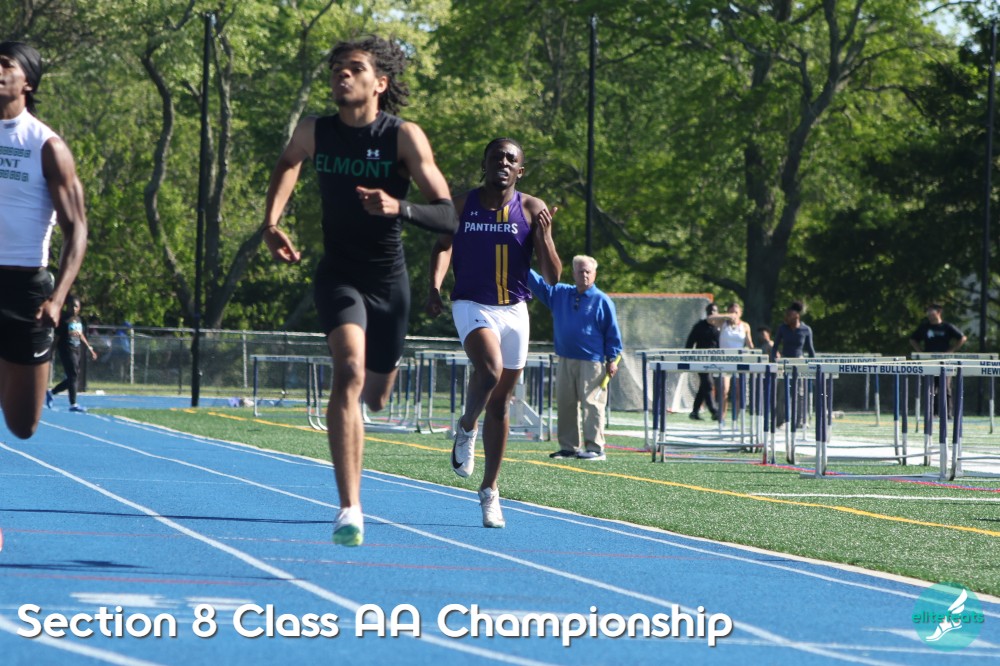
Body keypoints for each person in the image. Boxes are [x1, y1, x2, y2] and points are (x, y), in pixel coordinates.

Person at [262, 35, 458, 547]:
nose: (341, 75)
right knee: (348, 369)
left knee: (376, 394)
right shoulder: (316, 130)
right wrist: (271, 222)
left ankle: (368, 401)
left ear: (380, 83)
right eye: (336, 69)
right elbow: (288, 162)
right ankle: (350, 507)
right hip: (339, 274)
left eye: (353, 68)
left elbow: (448, 215)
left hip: (388, 282)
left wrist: (399, 207)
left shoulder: (403, 137)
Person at [427, 137, 561, 528]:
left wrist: (545, 236)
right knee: (489, 370)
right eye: (496, 156)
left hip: (515, 310)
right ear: (484, 164)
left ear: (520, 170)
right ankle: (467, 426)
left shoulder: (532, 208)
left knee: (501, 404)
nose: (503, 162)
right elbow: (442, 246)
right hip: (472, 303)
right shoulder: (460, 205)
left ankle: (490, 491)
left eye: (510, 158)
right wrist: (434, 287)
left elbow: (552, 277)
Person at [0, 41, 89, 441]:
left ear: (28, 83)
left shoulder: (47, 146)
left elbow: (77, 228)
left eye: (5, 65)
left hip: (25, 291)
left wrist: (58, 298)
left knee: (23, 425)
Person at [528, 255, 623, 461]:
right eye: (581, 271)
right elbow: (539, 285)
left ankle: (595, 448)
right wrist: (521, 264)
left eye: (588, 271)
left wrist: (612, 359)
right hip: (565, 358)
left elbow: (612, 332)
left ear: (595, 274)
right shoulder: (561, 293)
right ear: (573, 273)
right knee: (566, 403)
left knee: (592, 404)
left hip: (592, 361)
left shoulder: (602, 300)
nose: (585, 275)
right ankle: (568, 447)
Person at [909, 303, 966, 414]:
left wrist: (951, 351)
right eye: (928, 313)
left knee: (945, 387)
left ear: (939, 312)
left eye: (932, 312)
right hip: (930, 362)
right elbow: (912, 339)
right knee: (930, 388)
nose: (929, 315)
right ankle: (932, 413)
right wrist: (920, 352)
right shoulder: (925, 327)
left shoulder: (946, 327)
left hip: (945, 362)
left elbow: (962, 338)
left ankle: (947, 413)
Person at [46, 295, 97, 412]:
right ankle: (73, 404)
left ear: (79, 308)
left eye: (76, 306)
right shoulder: (64, 320)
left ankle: (52, 392)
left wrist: (89, 348)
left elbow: (80, 334)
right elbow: (57, 337)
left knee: (73, 377)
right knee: (73, 375)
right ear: (67, 307)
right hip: (66, 350)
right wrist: (51, 352)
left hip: (76, 349)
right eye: (71, 306)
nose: (73, 308)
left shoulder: (78, 320)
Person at [769, 300, 816, 427]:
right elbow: (775, 347)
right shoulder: (782, 328)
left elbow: (810, 350)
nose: (786, 318)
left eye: (789, 315)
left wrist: (813, 367)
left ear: (796, 316)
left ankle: (800, 420)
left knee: (800, 392)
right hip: (784, 361)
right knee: (782, 392)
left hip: (799, 361)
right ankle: (780, 420)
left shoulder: (806, 329)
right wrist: (774, 358)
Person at [708, 302, 754, 422]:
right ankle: (722, 417)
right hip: (725, 361)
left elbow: (750, 344)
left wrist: (754, 356)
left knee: (739, 392)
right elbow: (709, 319)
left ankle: (735, 419)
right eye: (731, 312)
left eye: (736, 312)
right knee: (724, 390)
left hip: (739, 361)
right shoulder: (723, 323)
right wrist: (726, 316)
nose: (734, 314)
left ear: (740, 313)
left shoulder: (745, 326)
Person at [684, 302, 720, 420]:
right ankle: (714, 411)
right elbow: (690, 343)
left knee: (705, 386)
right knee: (708, 384)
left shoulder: (719, 327)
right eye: (710, 311)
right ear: (706, 313)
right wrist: (688, 358)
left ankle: (694, 412)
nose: (712, 313)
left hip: (715, 361)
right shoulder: (699, 326)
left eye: (714, 311)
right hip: (700, 360)